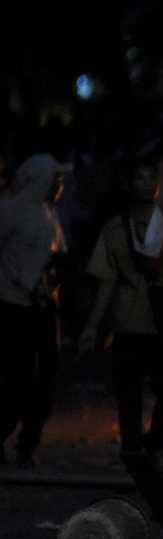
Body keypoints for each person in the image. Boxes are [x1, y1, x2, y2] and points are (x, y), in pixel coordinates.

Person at [78, 149, 163, 476]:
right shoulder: (116, 230)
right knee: (130, 392)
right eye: (139, 178)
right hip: (130, 322)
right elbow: (106, 283)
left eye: (150, 178)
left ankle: (153, 442)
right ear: (128, 184)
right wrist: (93, 326)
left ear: (157, 186)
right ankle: (135, 450)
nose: (146, 184)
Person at [0, 154, 68, 468]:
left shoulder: (48, 215)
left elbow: (58, 263)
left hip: (44, 308)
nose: (61, 186)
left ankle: (28, 443)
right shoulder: (12, 212)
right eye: (57, 180)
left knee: (45, 379)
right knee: (18, 379)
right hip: (15, 307)